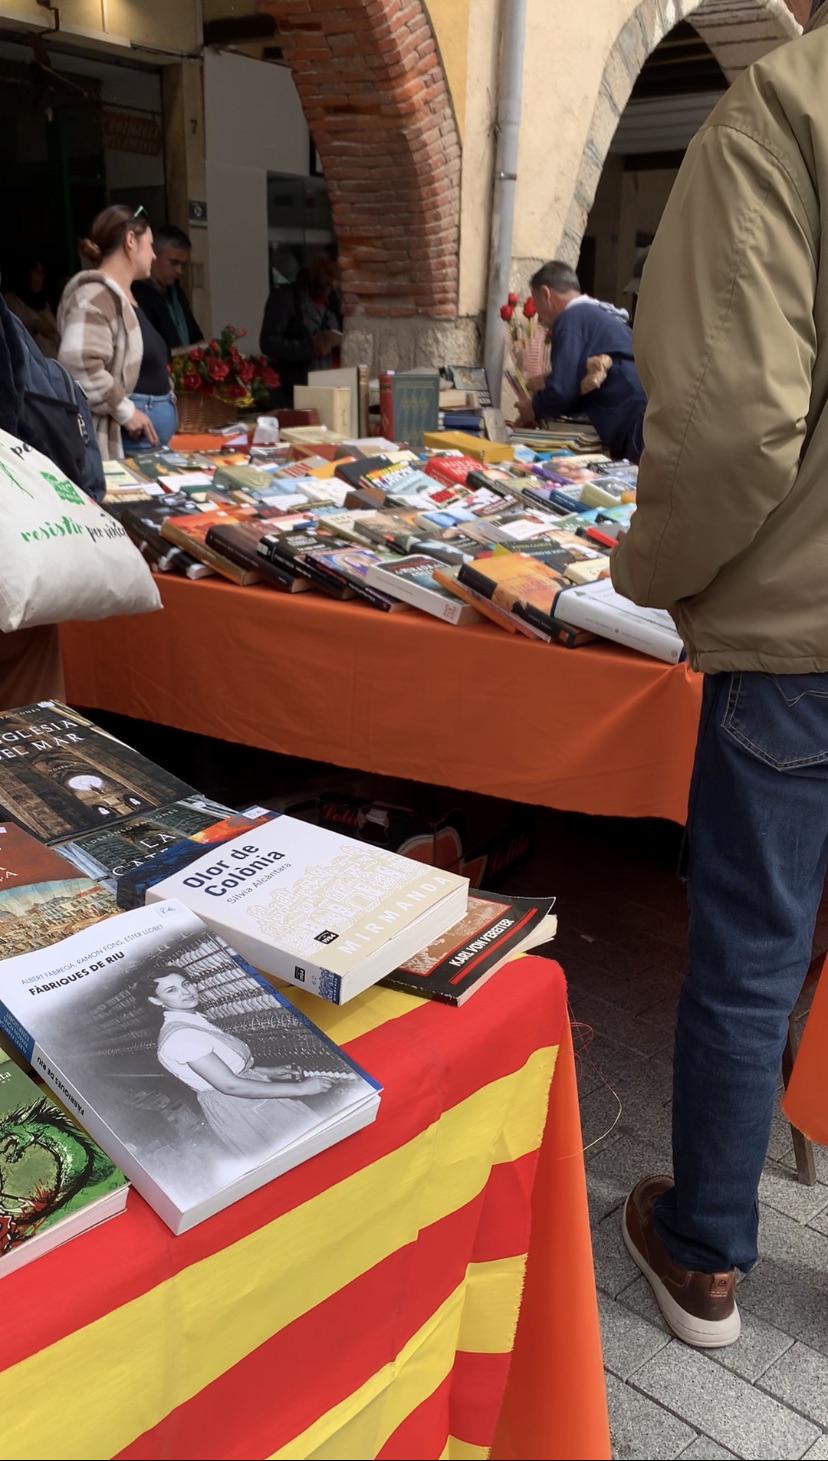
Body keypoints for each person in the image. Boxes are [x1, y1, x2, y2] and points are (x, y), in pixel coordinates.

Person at [611, 0, 828, 1350]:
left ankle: (705, 1260)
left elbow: (740, 421)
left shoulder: (784, 113)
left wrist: (652, 573)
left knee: (752, 955)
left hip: (800, 636)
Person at [143, 966, 333, 1157]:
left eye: (185, 984)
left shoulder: (191, 1020)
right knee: (306, 1154)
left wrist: (268, 1071)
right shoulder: (181, 1036)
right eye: (171, 990)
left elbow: (225, 1067)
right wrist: (302, 1089)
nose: (186, 992)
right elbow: (230, 1085)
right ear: (155, 1000)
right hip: (241, 1105)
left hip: (246, 1098)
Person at [57, 204, 175, 459]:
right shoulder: (95, 294)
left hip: (143, 443)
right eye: (151, 245)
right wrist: (126, 411)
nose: (154, 255)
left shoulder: (123, 296)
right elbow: (77, 364)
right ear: (131, 240)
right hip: (125, 443)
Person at [514, 260, 647, 462]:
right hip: (642, 411)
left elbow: (562, 388)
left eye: (536, 302)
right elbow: (576, 383)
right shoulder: (597, 313)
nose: (539, 316)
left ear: (545, 293)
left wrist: (534, 407)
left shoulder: (571, 319)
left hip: (633, 418)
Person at [259, 251, 343, 407]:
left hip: (332, 387)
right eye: (326, 283)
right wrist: (308, 348)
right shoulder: (285, 297)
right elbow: (267, 343)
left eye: (333, 285)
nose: (329, 288)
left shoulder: (333, 301)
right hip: (296, 390)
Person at [132, 224, 203, 353]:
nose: (179, 271)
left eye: (183, 265)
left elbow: (196, 337)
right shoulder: (137, 295)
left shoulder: (177, 293)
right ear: (153, 256)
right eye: (174, 263)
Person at [3, 259, 61, 359]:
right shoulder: (12, 301)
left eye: (42, 272)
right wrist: (35, 325)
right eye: (36, 271)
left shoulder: (43, 304)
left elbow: (55, 330)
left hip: (55, 367)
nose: (40, 276)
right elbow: (13, 332)